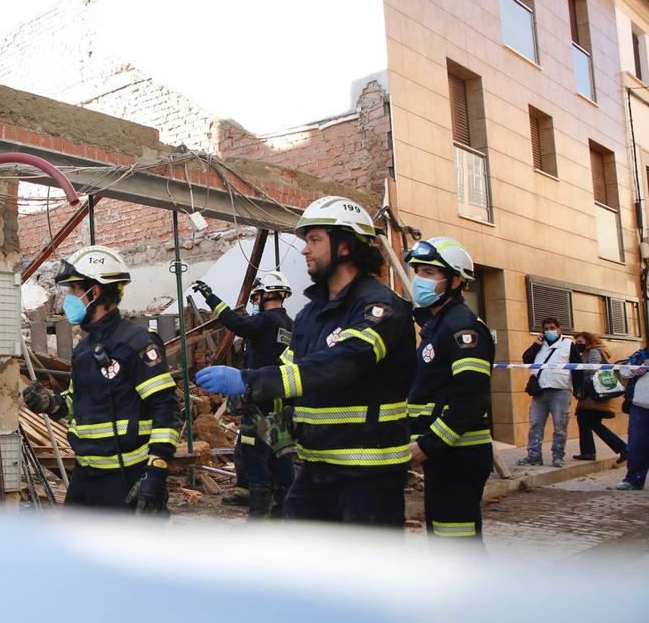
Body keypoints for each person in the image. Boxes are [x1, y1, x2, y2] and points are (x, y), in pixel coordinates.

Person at [196, 196, 415, 528]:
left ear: (345, 246)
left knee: (364, 575)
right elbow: (297, 374)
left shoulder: (381, 307)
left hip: (369, 472)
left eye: (315, 240)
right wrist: (284, 426)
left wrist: (249, 381)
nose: (304, 250)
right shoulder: (310, 314)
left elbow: (343, 363)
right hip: (315, 468)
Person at [22, 245, 181, 514]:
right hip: (85, 478)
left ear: (94, 292)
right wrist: (49, 403)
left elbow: (166, 408)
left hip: (127, 478)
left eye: (73, 290)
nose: (68, 299)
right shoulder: (84, 349)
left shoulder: (136, 343)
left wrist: (156, 471)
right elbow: (77, 403)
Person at [404, 237, 493, 545]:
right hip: (445, 454)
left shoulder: (461, 327)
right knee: (446, 538)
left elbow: (470, 397)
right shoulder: (438, 325)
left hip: (457, 453)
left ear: (455, 280)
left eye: (429, 273)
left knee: (455, 544)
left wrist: (429, 444)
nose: (420, 280)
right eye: (418, 272)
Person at [191, 271, 294, 517]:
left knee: (254, 452)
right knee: (280, 452)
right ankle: (279, 508)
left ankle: (258, 514)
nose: (256, 301)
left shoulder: (267, 321)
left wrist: (211, 298)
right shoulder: (290, 324)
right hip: (280, 403)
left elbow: (236, 324)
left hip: (259, 403)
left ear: (268, 294)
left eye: (258, 296)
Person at [517, 317, 573, 467]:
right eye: (546, 329)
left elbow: (577, 367)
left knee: (560, 425)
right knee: (535, 424)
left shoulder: (568, 345)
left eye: (552, 328)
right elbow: (526, 359)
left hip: (560, 390)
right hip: (540, 391)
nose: (549, 331)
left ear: (559, 329)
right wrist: (536, 345)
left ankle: (558, 456)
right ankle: (534, 456)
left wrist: (578, 388)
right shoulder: (539, 344)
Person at [571, 332, 627, 463]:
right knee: (594, 423)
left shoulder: (593, 352)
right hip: (593, 394)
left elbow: (593, 370)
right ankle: (622, 449)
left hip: (592, 394)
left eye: (580, 342)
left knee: (584, 419)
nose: (577, 345)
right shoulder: (590, 351)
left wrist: (579, 379)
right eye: (576, 343)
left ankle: (589, 452)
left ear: (589, 341)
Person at [616, 347, 649, 490]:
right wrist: (639, 368)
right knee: (637, 445)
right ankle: (633, 480)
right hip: (640, 406)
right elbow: (624, 371)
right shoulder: (641, 354)